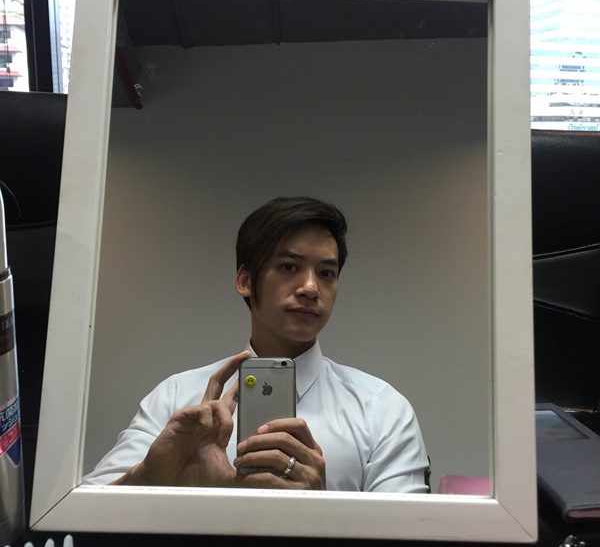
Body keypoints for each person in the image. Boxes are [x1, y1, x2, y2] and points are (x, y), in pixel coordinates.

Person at [83, 196, 429, 492]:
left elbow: (413, 538)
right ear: (245, 280)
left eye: (327, 273)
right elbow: (81, 515)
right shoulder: (177, 399)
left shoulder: (381, 409)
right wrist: (149, 477)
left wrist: (322, 510)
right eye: (289, 266)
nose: (311, 288)